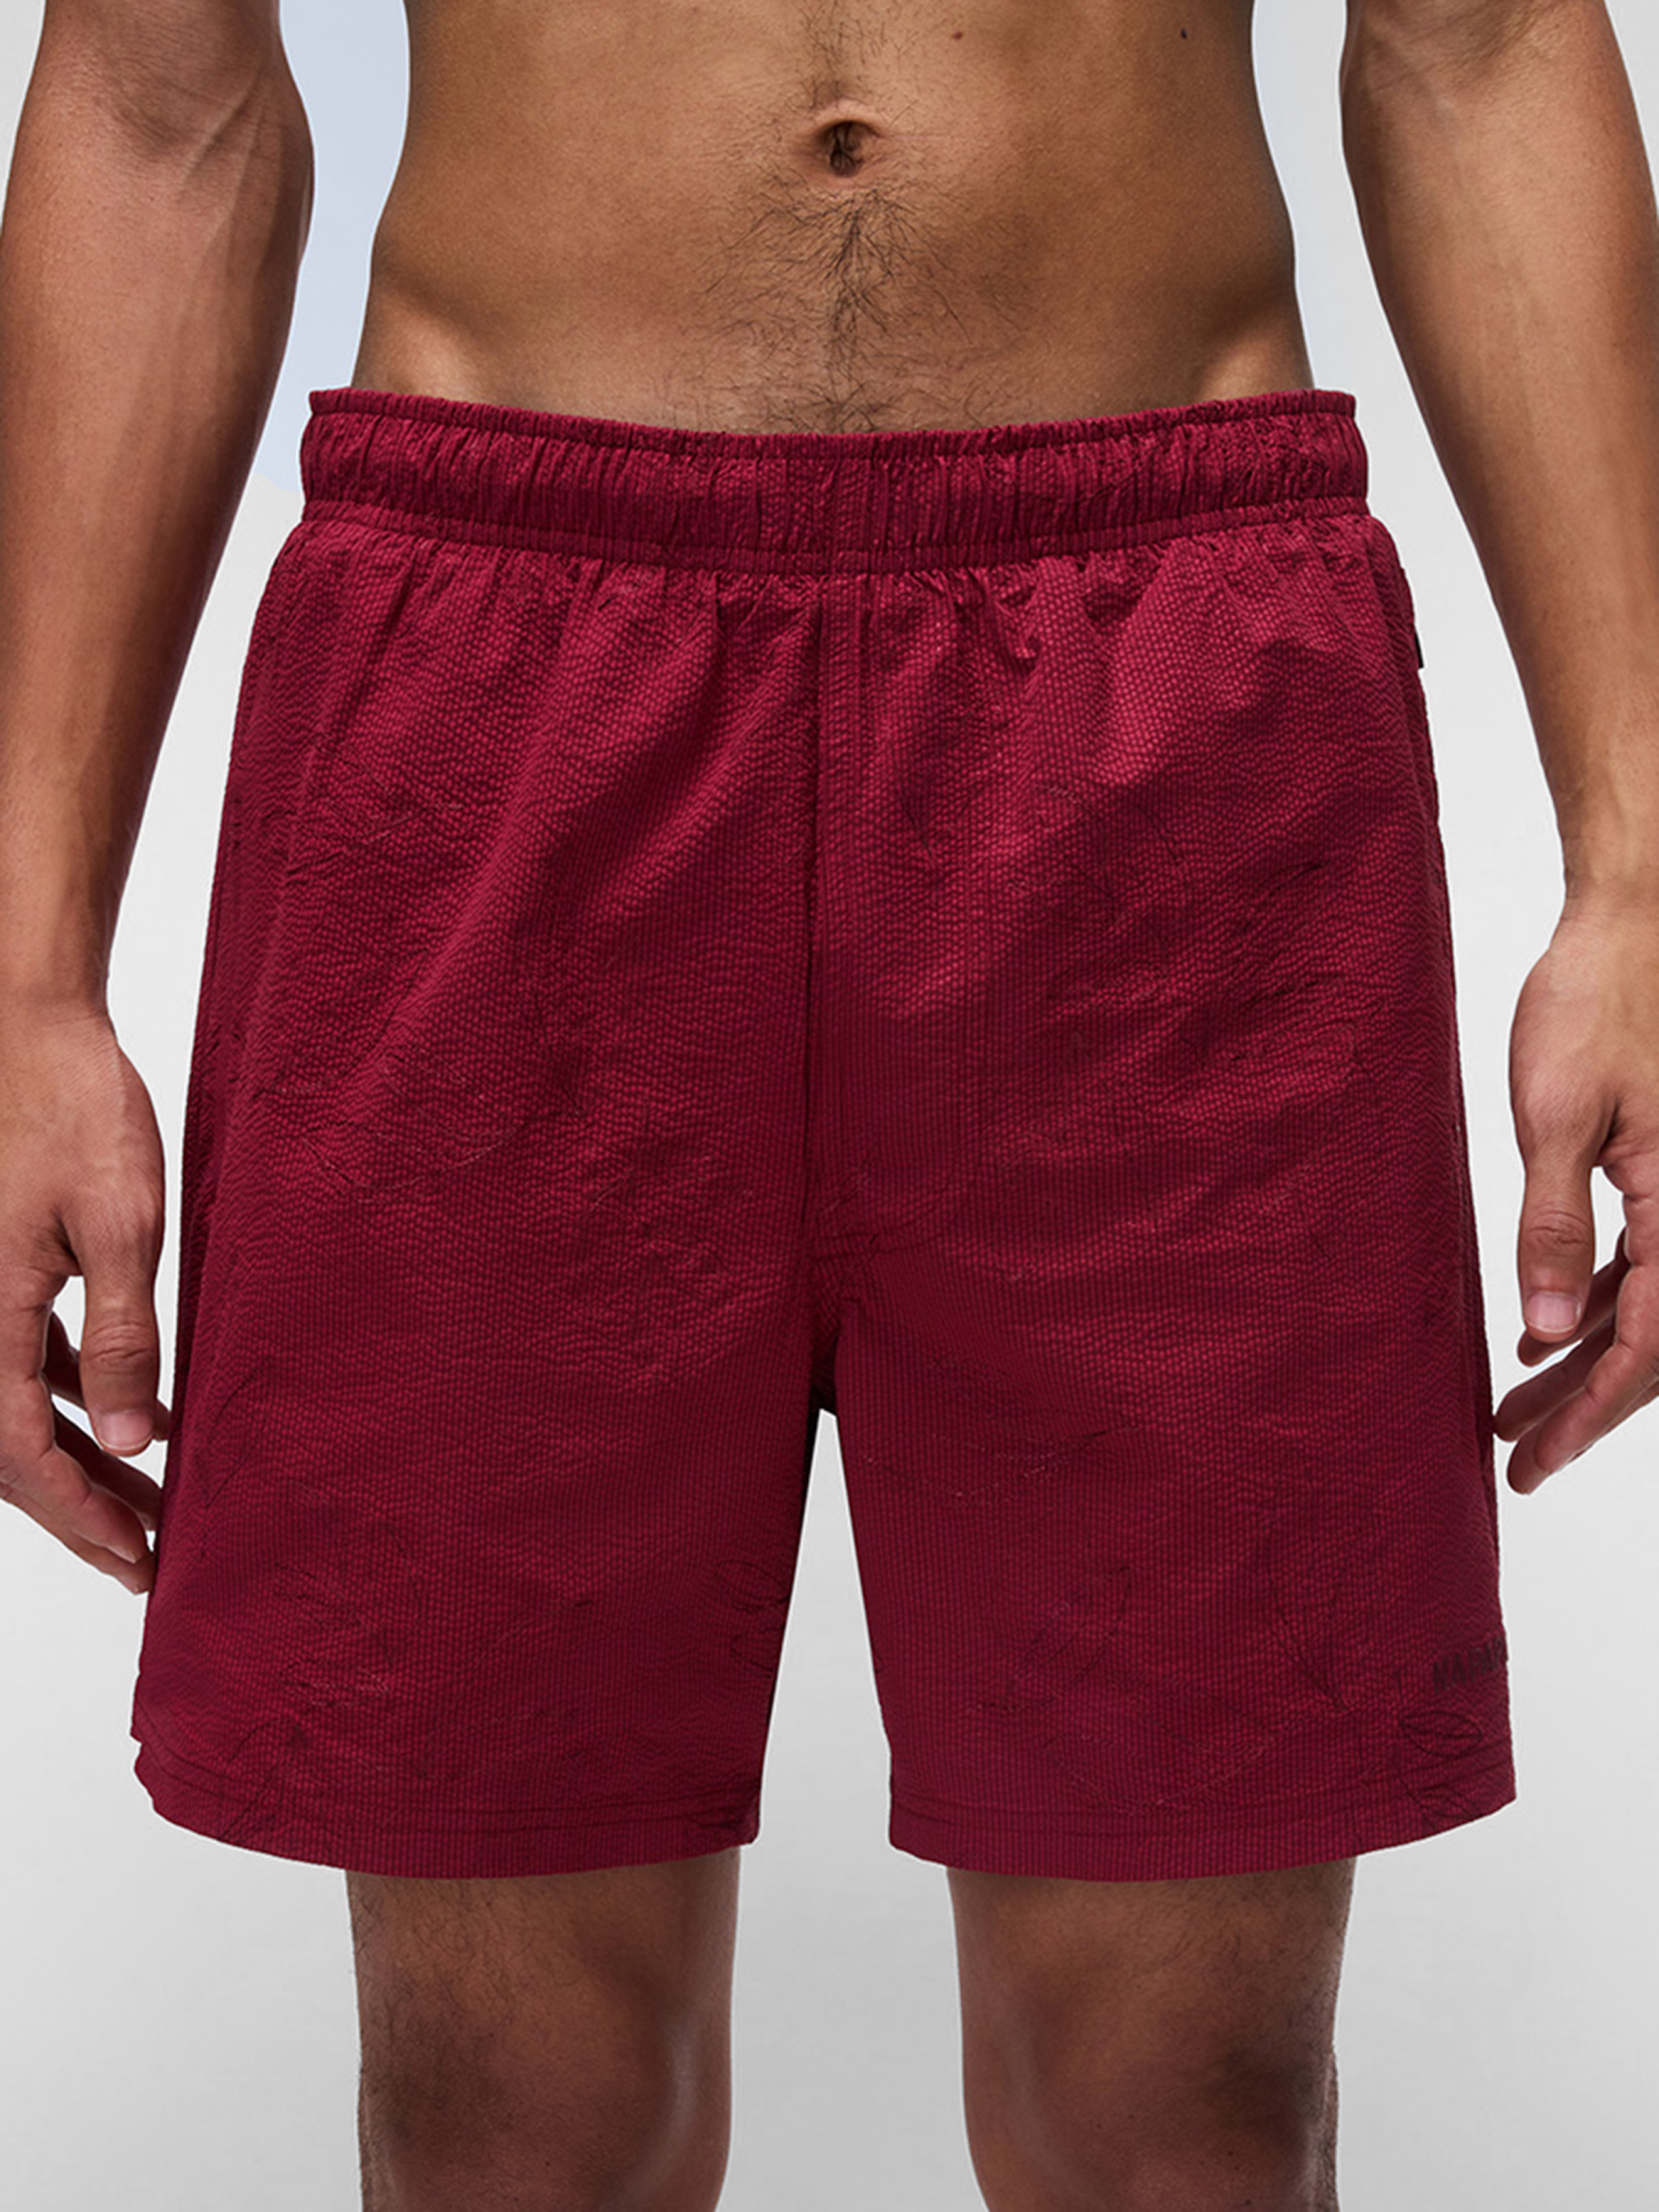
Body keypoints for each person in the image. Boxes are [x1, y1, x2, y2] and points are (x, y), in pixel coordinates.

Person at [2, 2, 1657, 2206]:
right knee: (513, 2133)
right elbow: (161, 96)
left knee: (1181, 2123)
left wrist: (1640, 865)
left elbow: (1482, 40)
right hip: (501, 668)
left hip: (1169, 692)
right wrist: (26, 976)